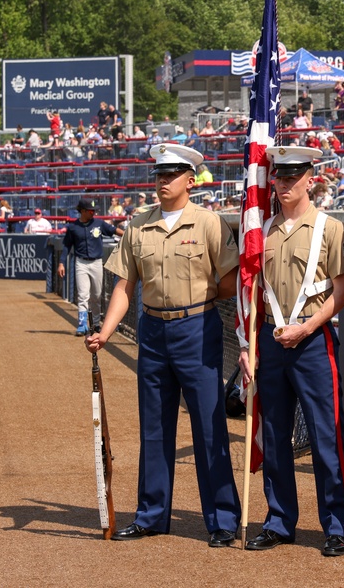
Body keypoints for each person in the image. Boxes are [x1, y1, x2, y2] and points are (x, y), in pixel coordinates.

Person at [86, 144, 241, 547]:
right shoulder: (138, 225)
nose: (162, 180)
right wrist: (105, 331)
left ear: (191, 180)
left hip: (197, 328)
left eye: (171, 174)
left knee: (209, 426)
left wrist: (202, 301)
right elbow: (125, 285)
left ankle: (222, 519)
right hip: (153, 332)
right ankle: (152, 515)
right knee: (154, 428)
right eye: (158, 174)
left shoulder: (209, 223)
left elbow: (231, 279)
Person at [239, 146, 344, 557]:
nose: (286, 184)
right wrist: (247, 345)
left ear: (311, 178)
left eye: (294, 176)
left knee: (327, 436)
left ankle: (338, 525)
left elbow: (341, 290)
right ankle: (278, 520)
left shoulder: (331, 227)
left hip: (313, 341)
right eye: (280, 177)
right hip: (271, 342)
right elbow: (252, 293)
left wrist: (306, 327)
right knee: (273, 436)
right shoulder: (262, 230)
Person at [57, 199, 122, 336]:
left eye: (94, 210)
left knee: (97, 296)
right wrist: (62, 262)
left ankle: (96, 324)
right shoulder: (73, 227)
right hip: (81, 263)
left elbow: (113, 230)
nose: (93, 212)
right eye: (90, 210)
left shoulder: (98, 223)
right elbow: (67, 246)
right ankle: (82, 324)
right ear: (82, 211)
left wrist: (130, 234)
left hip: (97, 263)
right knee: (83, 295)